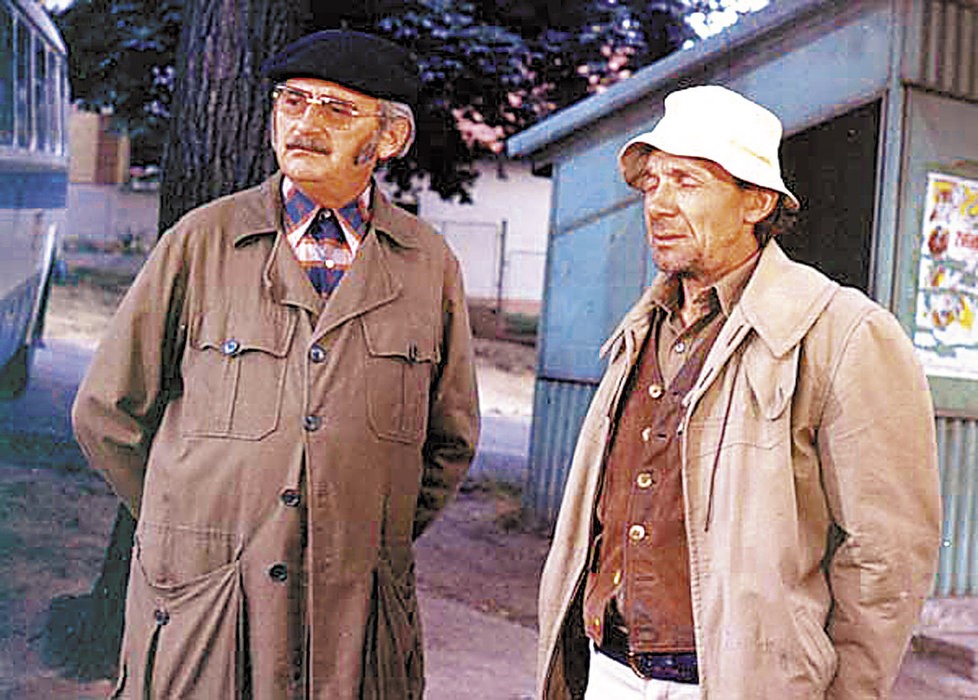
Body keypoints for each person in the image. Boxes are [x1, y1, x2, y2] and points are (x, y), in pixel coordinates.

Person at [72, 30, 479, 700]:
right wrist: (189, 520)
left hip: (355, 617)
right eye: (292, 102)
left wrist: (355, 527)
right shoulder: (201, 241)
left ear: (390, 138)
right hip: (206, 609)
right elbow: (106, 411)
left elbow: (450, 438)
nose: (306, 125)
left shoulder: (427, 264)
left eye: (336, 110)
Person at [536, 85, 941, 699]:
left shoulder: (841, 333)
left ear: (756, 201)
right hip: (607, 672)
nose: (659, 204)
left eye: (687, 182)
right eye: (652, 182)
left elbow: (888, 555)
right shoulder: (642, 329)